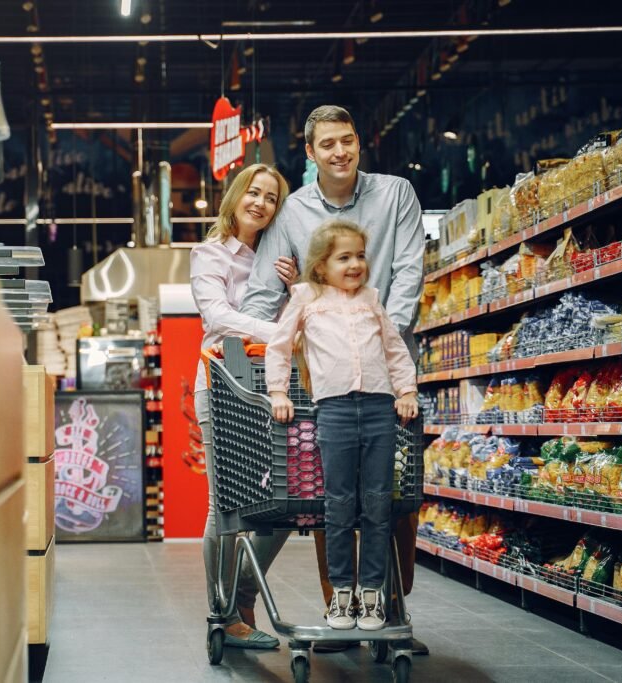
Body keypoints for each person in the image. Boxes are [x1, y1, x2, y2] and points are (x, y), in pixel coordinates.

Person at [240, 104, 427, 653]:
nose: (339, 152)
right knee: (335, 496)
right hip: (324, 377)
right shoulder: (293, 212)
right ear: (310, 153)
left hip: (391, 370)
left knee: (395, 493)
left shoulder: (396, 195)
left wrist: (380, 326)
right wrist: (260, 329)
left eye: (347, 140)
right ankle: (339, 601)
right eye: (328, 144)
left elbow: (410, 270)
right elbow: (261, 293)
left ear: (359, 143)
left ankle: (392, 608)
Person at [264, 220, 419, 632]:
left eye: (360, 256)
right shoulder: (306, 297)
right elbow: (278, 346)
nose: (355, 265)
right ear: (321, 266)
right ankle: (340, 595)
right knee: (337, 504)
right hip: (331, 410)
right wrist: (278, 392)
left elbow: (394, 349)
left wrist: (406, 390)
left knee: (377, 502)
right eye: (344, 257)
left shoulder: (371, 299)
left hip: (379, 408)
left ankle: (372, 594)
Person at [190, 162, 299, 649]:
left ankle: (245, 595)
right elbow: (217, 317)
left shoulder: (281, 259)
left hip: (274, 388)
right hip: (221, 384)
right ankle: (221, 611)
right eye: (253, 193)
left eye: (271, 197)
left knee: (284, 500)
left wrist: (295, 286)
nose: (260, 203)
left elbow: (305, 311)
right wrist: (280, 332)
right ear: (236, 196)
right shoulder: (209, 253)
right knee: (226, 505)